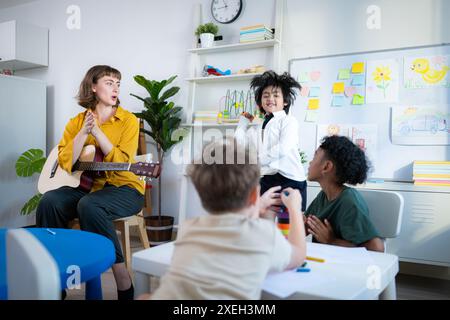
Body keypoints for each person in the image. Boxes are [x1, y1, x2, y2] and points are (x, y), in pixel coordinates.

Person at [147, 138, 306, 299]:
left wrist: (255, 206)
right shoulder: (266, 235)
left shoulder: (189, 228)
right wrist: (295, 209)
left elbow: (229, 223)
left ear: (201, 194)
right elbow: (299, 255)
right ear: (253, 195)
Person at [36, 65, 145, 299]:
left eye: (118, 83)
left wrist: (98, 133)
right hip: (86, 187)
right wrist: (83, 134)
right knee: (49, 201)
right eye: (109, 82)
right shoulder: (76, 121)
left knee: (90, 206)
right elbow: (66, 161)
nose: (115, 88)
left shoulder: (129, 121)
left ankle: (122, 279)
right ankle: (56, 280)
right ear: (94, 87)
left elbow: (123, 160)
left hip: (124, 188)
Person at [235, 70, 307, 213]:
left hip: (290, 179)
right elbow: (239, 144)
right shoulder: (258, 125)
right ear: (260, 101)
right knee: (263, 220)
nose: (270, 98)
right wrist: (242, 122)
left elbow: (284, 148)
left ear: (285, 101)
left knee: (287, 225)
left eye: (276, 95)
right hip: (268, 177)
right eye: (265, 95)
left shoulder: (288, 120)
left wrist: (258, 160)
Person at [305, 135, 384, 252]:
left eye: (315, 155)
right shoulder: (323, 196)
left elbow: (377, 249)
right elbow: (304, 227)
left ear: (326, 166)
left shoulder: (349, 201)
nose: (310, 162)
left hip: (345, 267)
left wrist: (331, 241)